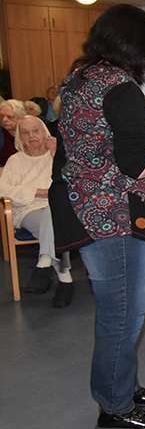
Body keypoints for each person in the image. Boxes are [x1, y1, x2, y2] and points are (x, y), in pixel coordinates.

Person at [49, 4, 145, 429]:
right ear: (130, 48)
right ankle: (114, 408)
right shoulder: (121, 88)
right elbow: (136, 165)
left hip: (86, 208)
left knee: (120, 308)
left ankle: (123, 387)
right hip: (116, 218)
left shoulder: (80, 79)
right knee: (123, 313)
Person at [0, 115, 75, 307]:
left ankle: (45, 263)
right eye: (25, 132)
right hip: (27, 210)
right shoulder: (15, 160)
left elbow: (72, 182)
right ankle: (64, 277)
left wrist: (55, 154)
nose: (31, 135)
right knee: (54, 218)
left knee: (53, 212)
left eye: (35, 130)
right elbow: (3, 188)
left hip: (55, 208)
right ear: (20, 137)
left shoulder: (57, 155)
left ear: (45, 132)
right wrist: (37, 192)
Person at [0, 99, 26, 165]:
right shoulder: (1, 135)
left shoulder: (30, 132)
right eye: (1, 116)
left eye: (10, 117)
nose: (4, 120)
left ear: (22, 117)